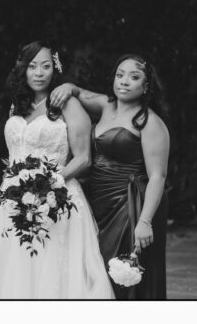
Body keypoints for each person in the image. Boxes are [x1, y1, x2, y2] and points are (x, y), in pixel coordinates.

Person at [0, 41, 112, 298]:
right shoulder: (17, 105)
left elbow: (83, 159)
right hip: (12, 201)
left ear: (55, 68)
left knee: (52, 271)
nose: (39, 73)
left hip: (56, 199)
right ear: (22, 69)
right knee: (16, 272)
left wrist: (48, 186)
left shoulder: (67, 104)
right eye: (32, 66)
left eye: (45, 66)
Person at [51, 55, 170, 298]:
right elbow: (77, 91)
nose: (124, 81)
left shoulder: (150, 122)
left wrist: (144, 222)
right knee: (95, 271)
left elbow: (158, 176)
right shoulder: (106, 105)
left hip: (131, 204)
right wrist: (66, 86)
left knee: (124, 274)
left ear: (146, 86)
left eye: (134, 77)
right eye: (120, 75)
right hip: (98, 199)